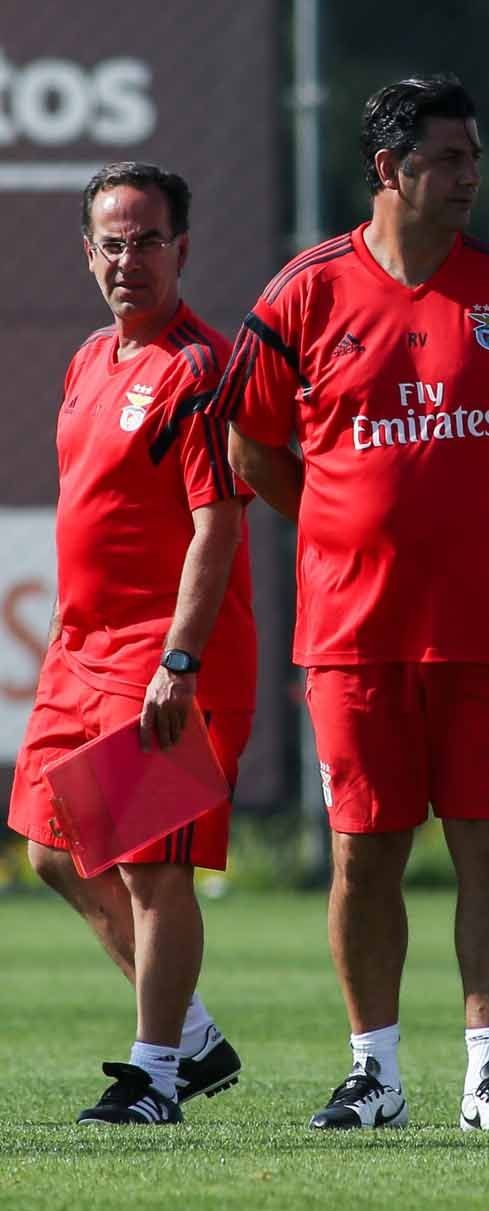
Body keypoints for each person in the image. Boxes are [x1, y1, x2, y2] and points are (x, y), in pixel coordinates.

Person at [214, 75, 489, 1132]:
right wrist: (345, 525)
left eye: (475, 157)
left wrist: (469, 520)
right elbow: (251, 447)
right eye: (448, 159)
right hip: (354, 629)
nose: (470, 176)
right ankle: (373, 1073)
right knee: (363, 850)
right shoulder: (302, 294)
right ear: (389, 169)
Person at [8, 161, 255, 1124]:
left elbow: (217, 526)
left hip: (162, 653)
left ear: (181, 249)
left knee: (155, 867)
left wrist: (180, 660)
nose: (129, 259)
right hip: (79, 650)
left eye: (148, 240)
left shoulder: (199, 367)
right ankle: (192, 1037)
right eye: (113, 243)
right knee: (51, 850)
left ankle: (154, 1076)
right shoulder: (88, 360)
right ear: (88, 254)